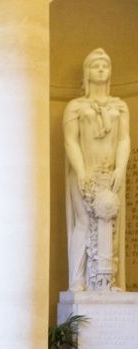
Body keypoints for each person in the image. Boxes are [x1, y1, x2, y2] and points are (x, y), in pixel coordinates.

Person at [63, 48, 130, 291]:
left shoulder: (120, 106)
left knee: (111, 222)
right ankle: (78, 278)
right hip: (86, 172)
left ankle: (109, 281)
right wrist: (81, 171)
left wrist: (121, 169)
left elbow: (124, 139)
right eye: (96, 65)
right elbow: (70, 140)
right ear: (87, 72)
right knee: (83, 222)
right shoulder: (75, 106)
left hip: (110, 174)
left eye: (105, 65)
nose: (101, 69)